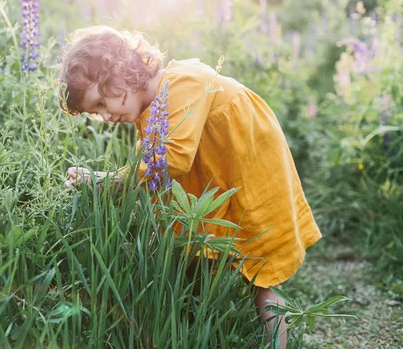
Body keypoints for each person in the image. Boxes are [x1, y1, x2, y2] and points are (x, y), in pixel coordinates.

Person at [58, 25, 322, 348]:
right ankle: (197, 329)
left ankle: (277, 343)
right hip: (218, 172)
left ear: (121, 71)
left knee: (262, 268)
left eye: (100, 103)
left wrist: (108, 181)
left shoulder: (182, 80)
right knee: (189, 252)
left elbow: (173, 159)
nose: (104, 117)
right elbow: (162, 178)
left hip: (251, 162)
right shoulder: (147, 111)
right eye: (94, 113)